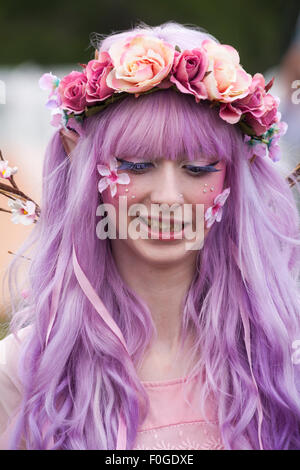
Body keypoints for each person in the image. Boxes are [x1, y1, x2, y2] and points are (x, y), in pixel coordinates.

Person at [1, 21, 300, 451]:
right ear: (83, 162)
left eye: (198, 168)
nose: (168, 197)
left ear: (237, 174)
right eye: (137, 166)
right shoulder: (25, 370)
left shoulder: (279, 359)